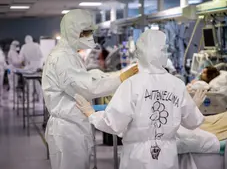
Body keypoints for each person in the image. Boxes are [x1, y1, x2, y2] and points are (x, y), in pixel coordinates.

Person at [75, 30, 205, 169]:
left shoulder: (132, 84)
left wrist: (92, 114)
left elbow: (113, 123)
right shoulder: (176, 84)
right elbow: (192, 122)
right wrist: (194, 106)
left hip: (137, 158)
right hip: (167, 157)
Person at [42, 9, 138, 169]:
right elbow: (87, 87)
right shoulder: (61, 57)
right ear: (73, 31)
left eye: (90, 32)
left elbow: (85, 78)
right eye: (85, 33)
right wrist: (120, 78)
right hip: (67, 131)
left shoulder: (70, 54)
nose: (89, 37)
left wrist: (119, 74)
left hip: (75, 125)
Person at [20, 35, 43, 102]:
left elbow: (21, 58)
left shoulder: (24, 47)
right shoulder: (36, 45)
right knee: (37, 83)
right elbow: (41, 55)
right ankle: (40, 98)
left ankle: (29, 99)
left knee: (29, 84)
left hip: (29, 68)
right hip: (37, 68)